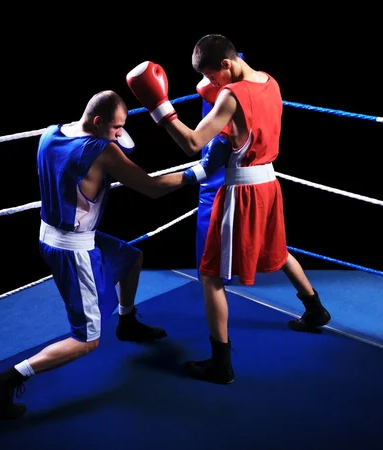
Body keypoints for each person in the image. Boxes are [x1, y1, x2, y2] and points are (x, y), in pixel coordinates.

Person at [0, 90, 227, 419]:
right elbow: (151, 188)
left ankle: (127, 323)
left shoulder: (51, 133)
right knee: (87, 340)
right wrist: (201, 170)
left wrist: (111, 140)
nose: (119, 134)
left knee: (131, 258)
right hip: (74, 248)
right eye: (115, 128)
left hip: (56, 233)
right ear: (98, 123)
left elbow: (87, 156)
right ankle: (6, 381)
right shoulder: (101, 150)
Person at [126, 34, 331, 385]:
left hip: (242, 191)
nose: (211, 85)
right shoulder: (269, 80)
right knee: (277, 250)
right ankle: (314, 308)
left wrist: (158, 107)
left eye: (214, 75)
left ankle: (221, 363)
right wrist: (213, 84)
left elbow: (192, 142)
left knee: (210, 275)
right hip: (269, 184)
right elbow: (224, 98)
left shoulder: (230, 97)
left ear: (226, 64)